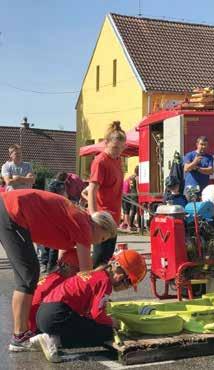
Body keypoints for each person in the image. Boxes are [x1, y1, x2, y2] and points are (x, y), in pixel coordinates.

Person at [0, 189, 117, 352]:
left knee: (28, 274)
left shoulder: (75, 227)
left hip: (11, 208)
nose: (99, 242)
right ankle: (20, 337)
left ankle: (23, 331)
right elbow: (86, 275)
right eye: (103, 238)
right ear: (98, 226)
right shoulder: (84, 226)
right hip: (13, 210)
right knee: (27, 276)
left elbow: (63, 263)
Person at [34, 249, 147, 363]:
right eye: (128, 283)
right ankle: (55, 339)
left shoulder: (96, 275)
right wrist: (113, 322)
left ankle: (48, 336)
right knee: (105, 332)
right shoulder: (105, 282)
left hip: (45, 313)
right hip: (56, 315)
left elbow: (89, 311)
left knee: (89, 325)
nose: (126, 288)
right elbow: (97, 315)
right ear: (121, 273)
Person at [85, 121, 126, 267]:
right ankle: (91, 288)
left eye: (121, 148)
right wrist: (93, 214)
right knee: (99, 259)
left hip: (113, 217)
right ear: (106, 143)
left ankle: (101, 288)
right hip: (102, 217)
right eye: (115, 147)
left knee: (106, 260)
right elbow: (92, 189)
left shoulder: (117, 159)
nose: (118, 151)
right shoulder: (100, 161)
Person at [29, 249, 80, 333]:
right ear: (65, 265)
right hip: (37, 325)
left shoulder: (53, 276)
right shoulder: (64, 283)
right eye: (77, 269)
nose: (79, 273)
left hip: (31, 322)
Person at [39, 180, 67, 274]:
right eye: (63, 191)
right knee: (52, 248)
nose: (65, 192)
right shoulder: (59, 200)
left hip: (46, 227)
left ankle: (46, 264)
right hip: (53, 227)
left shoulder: (46, 199)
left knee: (46, 246)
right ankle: (50, 267)